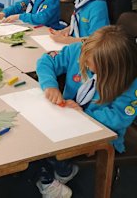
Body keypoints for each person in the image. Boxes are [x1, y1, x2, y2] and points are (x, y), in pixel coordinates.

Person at [35, 25, 137, 196]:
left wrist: (83, 114)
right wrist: (50, 85)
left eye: (93, 68)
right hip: (68, 117)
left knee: (48, 145)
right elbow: (46, 61)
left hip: (102, 131)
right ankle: (60, 172)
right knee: (36, 134)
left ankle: (51, 178)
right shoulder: (79, 51)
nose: (88, 69)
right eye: (86, 63)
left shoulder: (131, 82)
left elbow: (118, 118)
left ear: (114, 70)